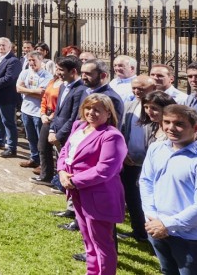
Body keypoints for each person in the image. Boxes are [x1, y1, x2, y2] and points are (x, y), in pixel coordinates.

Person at [140, 104, 197, 274]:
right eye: (167, 122)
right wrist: (152, 216)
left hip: (192, 240)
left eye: (179, 124)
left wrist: (166, 224)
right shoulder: (156, 148)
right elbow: (146, 182)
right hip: (157, 230)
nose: (171, 128)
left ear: (196, 128)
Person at [57, 94, 127, 274]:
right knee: (87, 238)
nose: (91, 113)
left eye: (98, 110)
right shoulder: (79, 126)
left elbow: (105, 169)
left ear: (108, 113)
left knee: (102, 243)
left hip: (99, 195)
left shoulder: (111, 136)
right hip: (77, 192)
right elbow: (66, 151)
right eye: (88, 108)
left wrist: (73, 181)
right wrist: (62, 171)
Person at [118, 75, 157, 242]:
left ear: (152, 88)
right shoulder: (129, 105)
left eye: (141, 89)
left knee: (147, 200)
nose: (136, 91)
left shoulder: (157, 109)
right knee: (132, 198)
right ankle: (138, 231)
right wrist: (123, 153)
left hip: (149, 163)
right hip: (130, 161)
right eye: (134, 88)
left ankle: (152, 234)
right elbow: (123, 131)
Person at [16, 50, 52, 169]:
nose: (31, 63)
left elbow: (42, 94)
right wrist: (33, 91)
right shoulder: (25, 72)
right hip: (26, 110)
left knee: (41, 140)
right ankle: (34, 158)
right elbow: (18, 89)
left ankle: (43, 163)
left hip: (38, 112)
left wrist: (26, 90)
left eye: (34, 60)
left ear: (41, 60)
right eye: (29, 60)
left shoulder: (47, 76)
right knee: (30, 137)